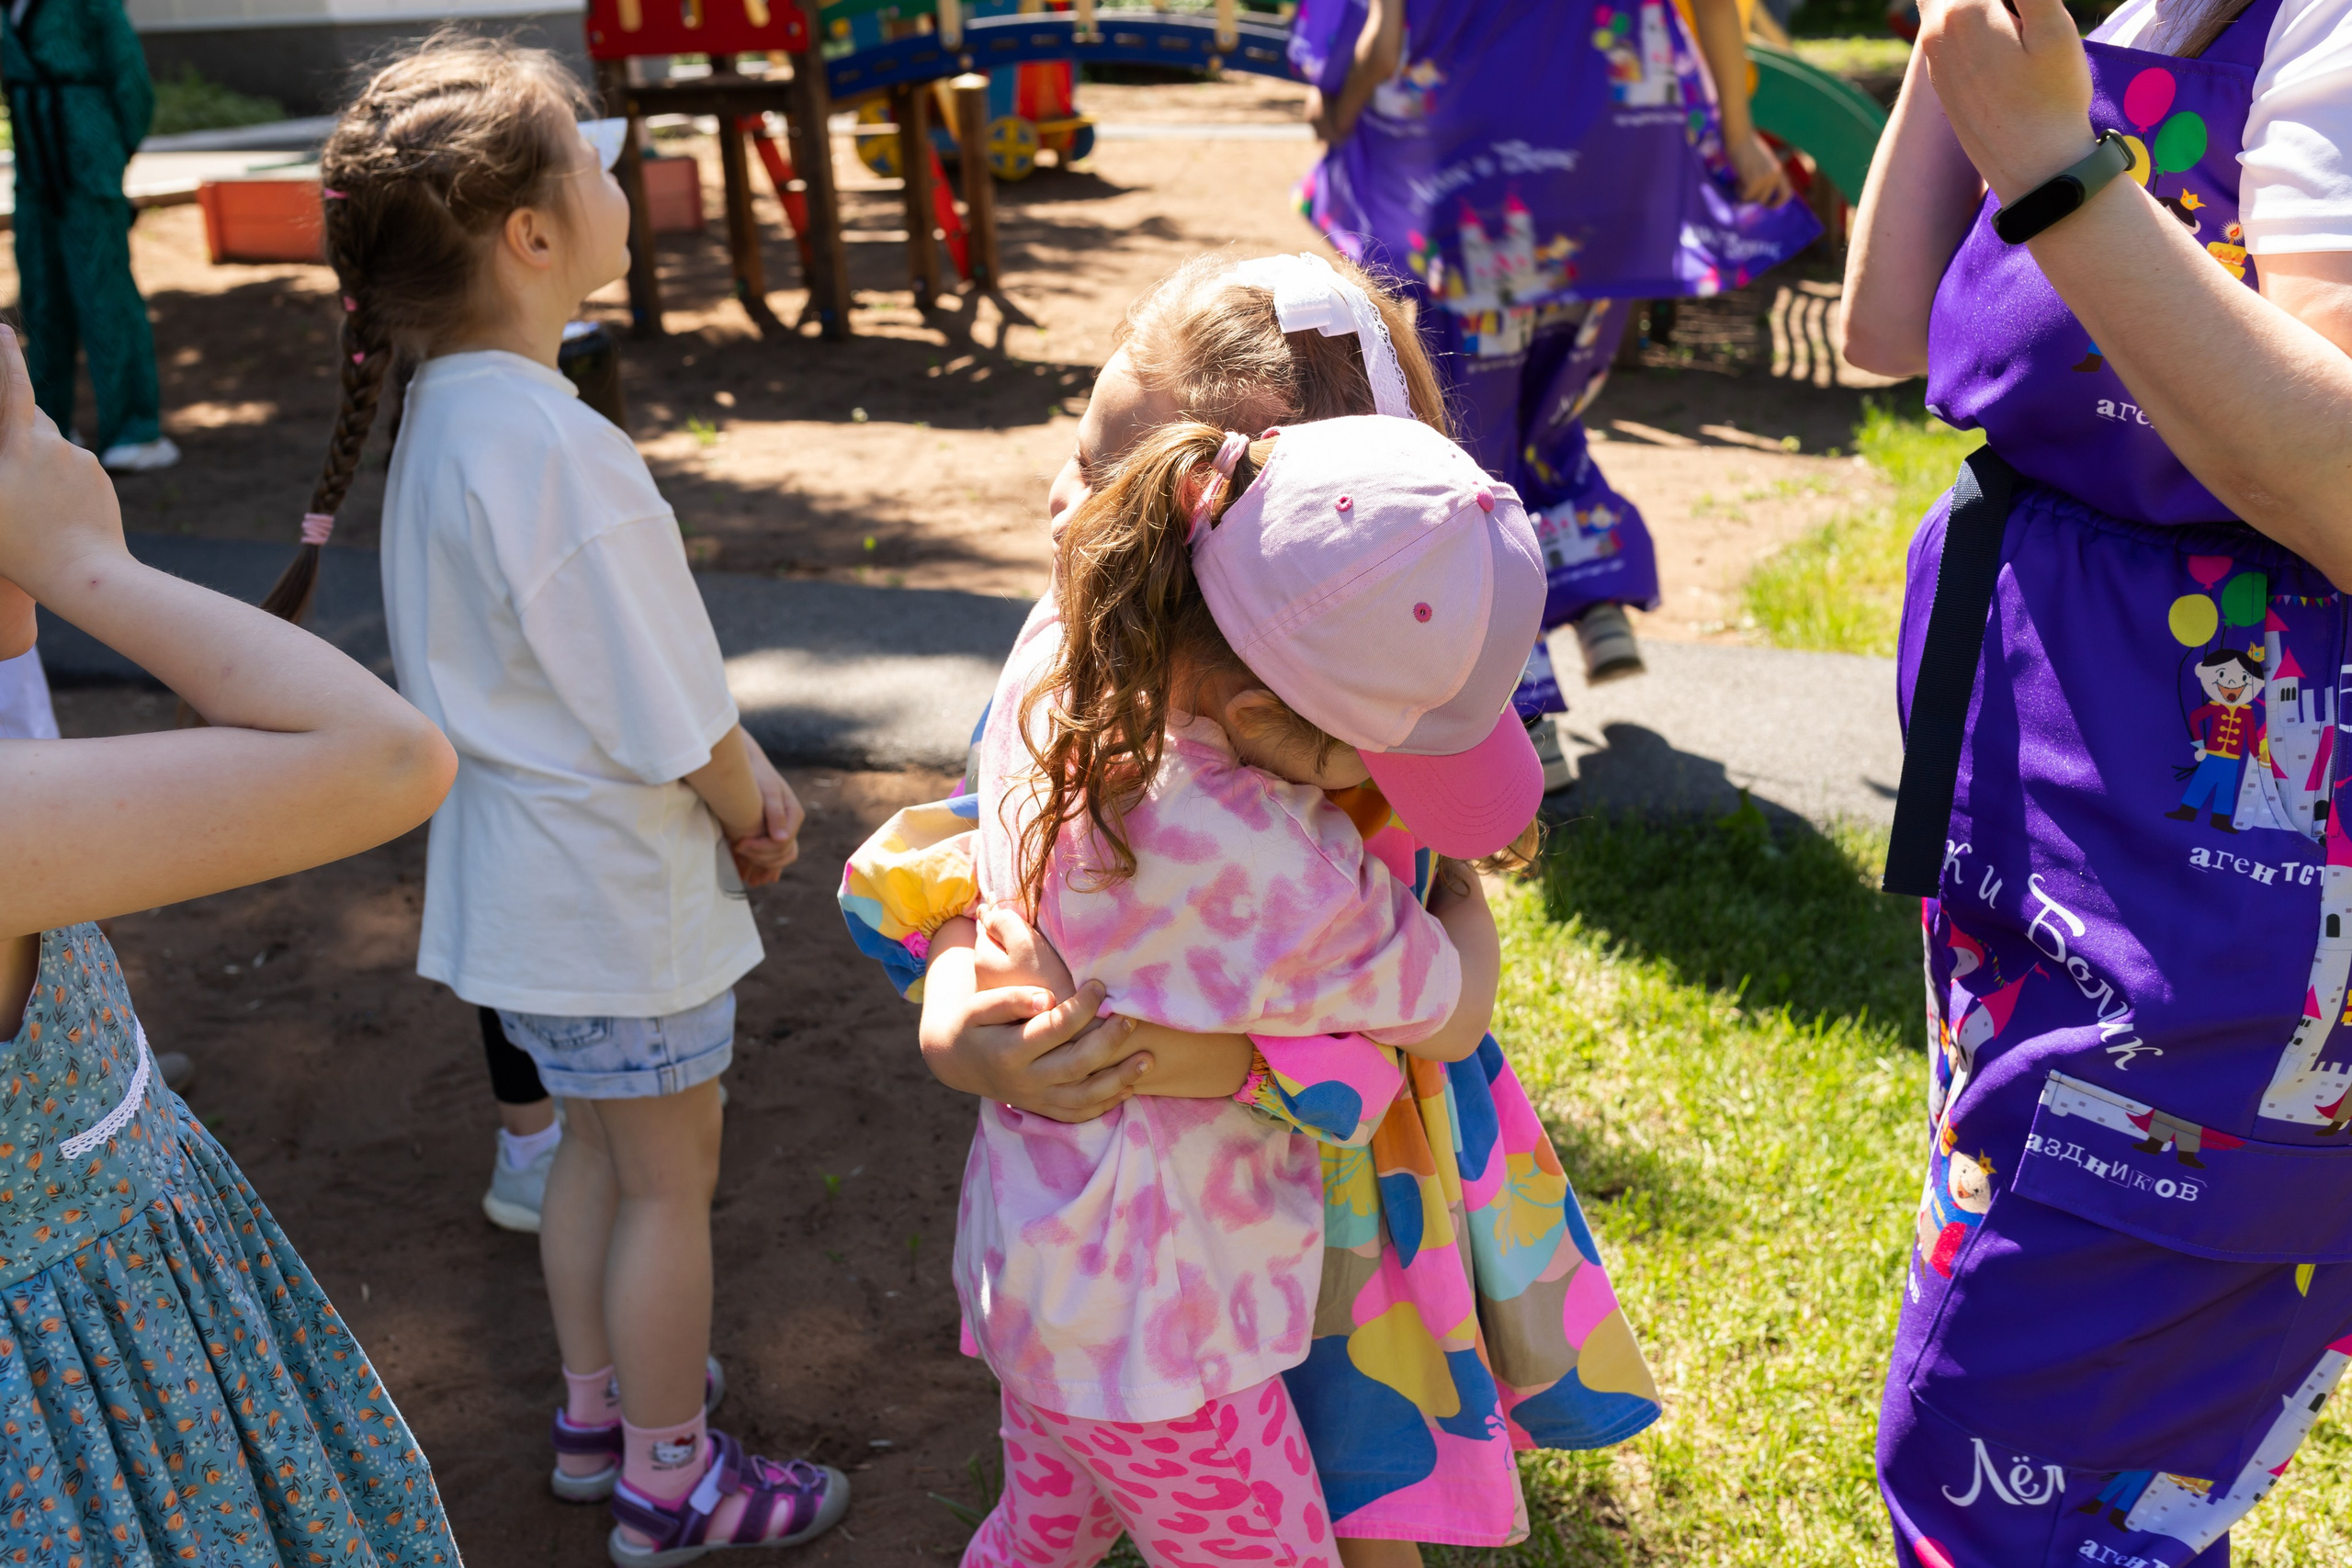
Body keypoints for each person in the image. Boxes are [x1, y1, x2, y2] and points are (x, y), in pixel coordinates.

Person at [857, 252, 1658, 1561]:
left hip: (1127, 1248)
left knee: (1225, 1492)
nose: (1076, 513)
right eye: (1083, 456)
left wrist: (1191, 1051)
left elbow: (942, 856)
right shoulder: (1245, 774)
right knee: (1311, 1506)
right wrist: (959, 1010)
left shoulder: (1081, 671)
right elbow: (1441, 1012)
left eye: (1115, 488)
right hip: (1207, 1277)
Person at [268, 36, 842, 1562]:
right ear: (529, 233)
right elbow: (659, 694)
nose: (609, 178)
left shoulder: (451, 415)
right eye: (589, 159)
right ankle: (675, 1476)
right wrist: (750, 800)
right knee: (670, 1184)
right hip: (612, 888)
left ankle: (603, 1413)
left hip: (525, 890)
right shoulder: (556, 442)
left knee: (592, 1152)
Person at [1841, 0, 2352, 1555]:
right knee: (2063, 1440)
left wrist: (2060, 162)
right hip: (2049, 780)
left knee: (2003, 1456)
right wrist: (1967, 74)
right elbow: (1888, 322)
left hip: (2227, 852)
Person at [0, 320, 461, 1560]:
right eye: (25, 426)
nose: (57, 448)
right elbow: (384, 756)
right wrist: (79, 561)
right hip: (88, 1426)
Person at [1291, 0, 1820, 774]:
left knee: (1469, 435)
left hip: (1482, 167)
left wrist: (1336, 106)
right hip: (1612, 158)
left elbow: (1382, 41)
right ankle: (1592, 583)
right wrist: (1737, 135)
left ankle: (1519, 701)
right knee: (1553, 400)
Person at [0, 0, 177, 471]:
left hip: (87, 162)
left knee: (104, 295)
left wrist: (108, 154)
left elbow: (131, 82)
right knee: (40, 297)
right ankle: (45, 419)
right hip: (35, 169)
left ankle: (135, 427)